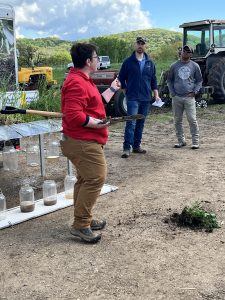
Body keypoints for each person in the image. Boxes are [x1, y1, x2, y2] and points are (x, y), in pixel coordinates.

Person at [60, 43, 118, 243]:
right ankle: (81, 224)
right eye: (96, 57)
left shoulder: (83, 80)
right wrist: (97, 124)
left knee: (85, 179)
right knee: (96, 178)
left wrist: (112, 89)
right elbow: (74, 115)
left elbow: (95, 104)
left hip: (85, 139)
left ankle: (83, 218)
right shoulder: (77, 82)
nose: (98, 61)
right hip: (82, 140)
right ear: (88, 61)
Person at [118, 36, 161, 158]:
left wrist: (156, 94)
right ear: (135, 45)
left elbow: (153, 80)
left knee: (141, 122)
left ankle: (136, 146)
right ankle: (127, 148)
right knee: (131, 122)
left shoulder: (150, 63)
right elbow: (121, 77)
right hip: (132, 97)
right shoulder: (128, 62)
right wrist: (125, 89)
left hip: (146, 98)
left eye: (143, 43)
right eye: (138, 43)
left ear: (145, 46)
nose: (140, 45)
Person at [167, 45, 203, 149]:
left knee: (192, 119)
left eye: (188, 51)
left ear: (191, 54)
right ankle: (181, 141)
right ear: (181, 51)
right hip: (177, 97)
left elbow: (199, 80)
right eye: (184, 50)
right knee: (177, 120)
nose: (185, 52)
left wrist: (195, 91)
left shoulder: (195, 66)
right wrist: (172, 93)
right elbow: (169, 80)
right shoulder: (174, 66)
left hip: (189, 97)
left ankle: (195, 142)